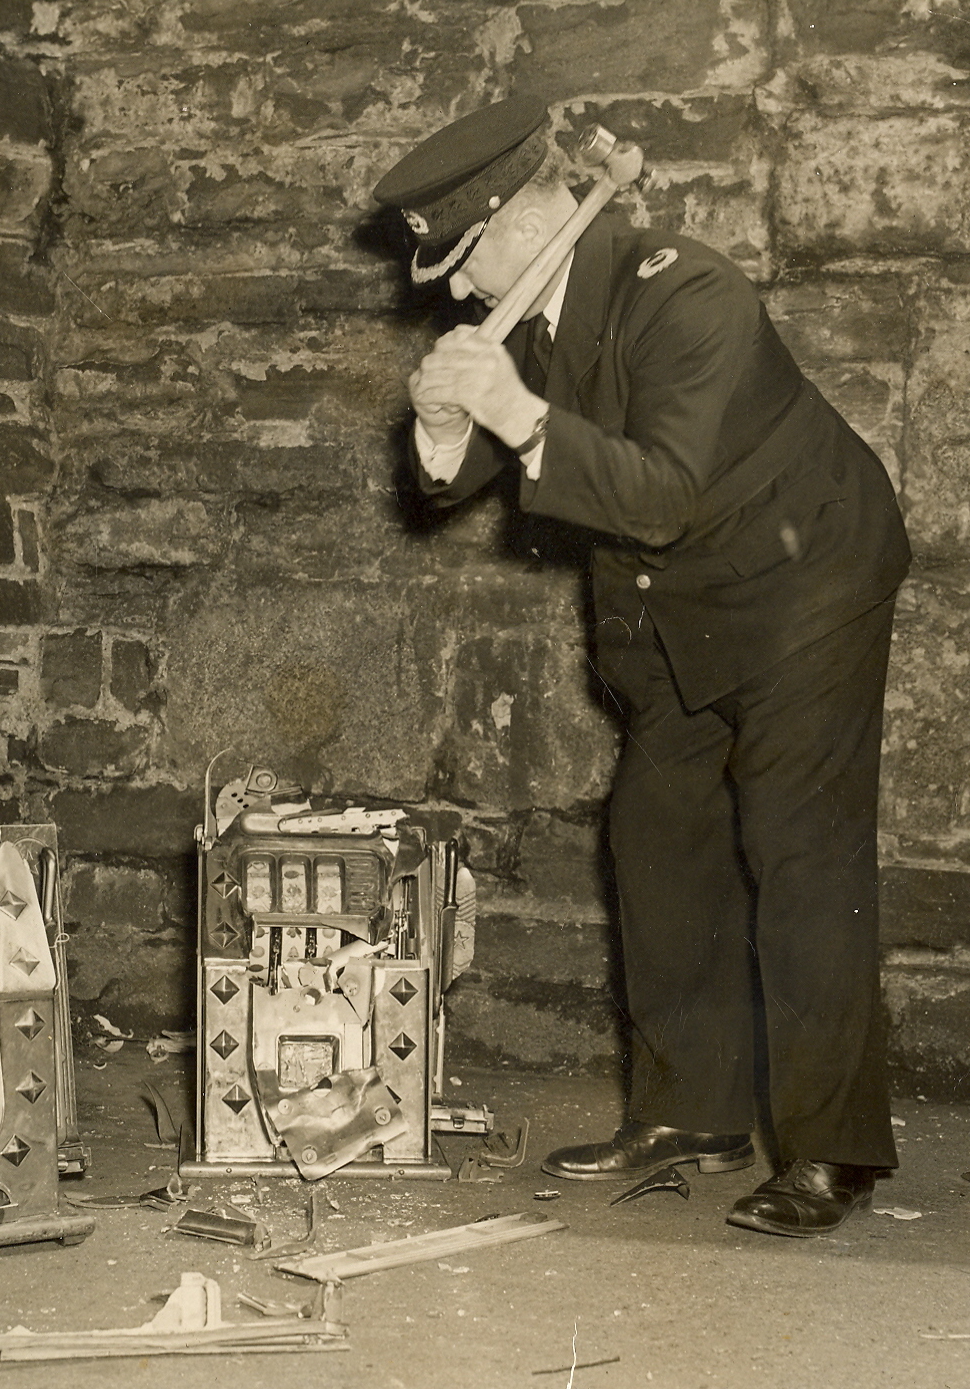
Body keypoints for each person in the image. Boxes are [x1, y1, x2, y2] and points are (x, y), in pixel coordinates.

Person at [374, 95, 911, 1237]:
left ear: (526, 217)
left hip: (805, 579)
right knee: (658, 833)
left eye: (467, 262)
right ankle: (692, 1112)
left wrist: (515, 413)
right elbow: (452, 478)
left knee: (796, 848)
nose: (464, 292)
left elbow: (659, 494)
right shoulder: (535, 307)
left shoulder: (693, 292)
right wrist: (437, 425)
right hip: (680, 611)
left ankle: (831, 1150)